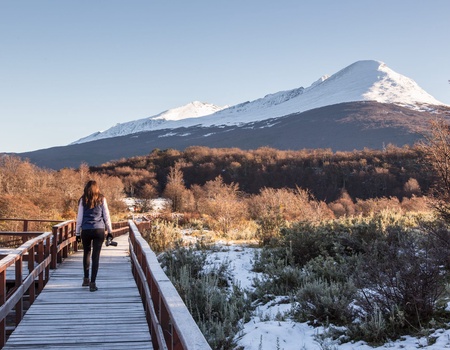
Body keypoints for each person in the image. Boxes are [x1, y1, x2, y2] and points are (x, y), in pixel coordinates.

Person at [75, 180, 113, 292]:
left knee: (86, 253)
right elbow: (106, 216)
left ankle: (86, 278)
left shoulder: (83, 200)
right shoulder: (102, 199)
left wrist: (77, 233)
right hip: (99, 230)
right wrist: (110, 231)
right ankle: (93, 283)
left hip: (86, 230)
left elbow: (79, 218)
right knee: (95, 256)